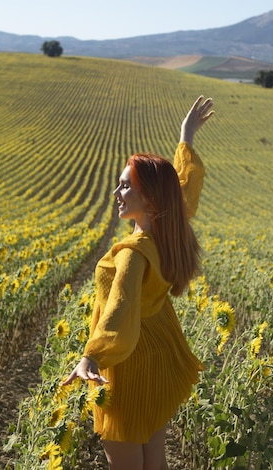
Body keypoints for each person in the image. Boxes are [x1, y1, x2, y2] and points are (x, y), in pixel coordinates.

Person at [63, 95, 214, 470]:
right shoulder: (167, 230)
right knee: (153, 458)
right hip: (159, 352)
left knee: (126, 462)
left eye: (125, 186)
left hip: (128, 360)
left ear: (148, 197)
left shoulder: (132, 252)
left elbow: (119, 308)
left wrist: (92, 355)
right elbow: (186, 191)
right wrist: (185, 139)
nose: (117, 193)